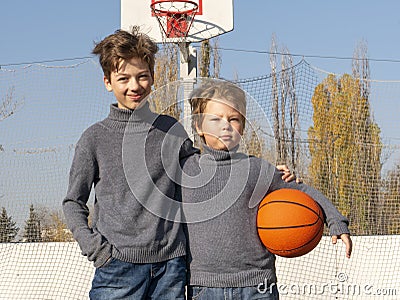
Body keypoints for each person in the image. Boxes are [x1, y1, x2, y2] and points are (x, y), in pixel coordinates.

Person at [180, 79, 352, 300]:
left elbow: (303, 192)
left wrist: (336, 221)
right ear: (198, 126)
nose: (226, 125)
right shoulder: (185, 169)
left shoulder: (257, 169)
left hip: (258, 285)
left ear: (242, 126)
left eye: (234, 119)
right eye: (215, 119)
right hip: (203, 287)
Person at [62, 27, 197, 299]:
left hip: (170, 267)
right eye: (123, 78)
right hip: (117, 268)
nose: (134, 86)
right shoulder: (94, 138)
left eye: (142, 76)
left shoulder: (172, 130)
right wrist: (97, 250)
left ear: (153, 78)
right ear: (107, 82)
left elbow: (205, 176)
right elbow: (73, 202)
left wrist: (263, 172)